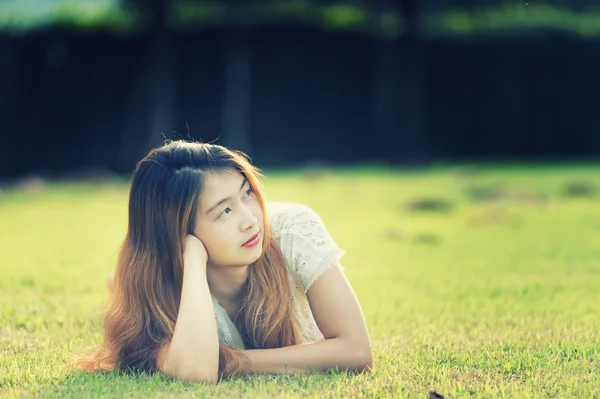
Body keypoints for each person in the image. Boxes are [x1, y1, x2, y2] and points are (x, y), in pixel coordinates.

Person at [77, 140, 372, 383]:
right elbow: (197, 372)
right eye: (224, 212)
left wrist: (236, 361)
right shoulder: (158, 289)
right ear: (177, 234)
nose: (250, 220)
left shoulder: (293, 230)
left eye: (247, 194)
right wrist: (192, 258)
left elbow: (357, 352)